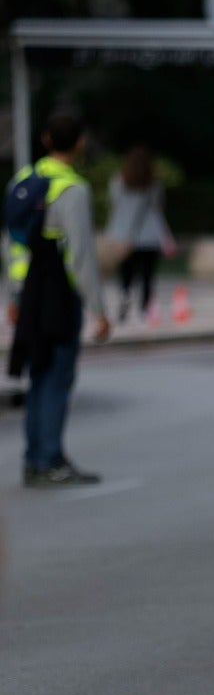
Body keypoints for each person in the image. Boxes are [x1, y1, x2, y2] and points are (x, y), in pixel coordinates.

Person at [5, 110, 110, 487]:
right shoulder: (72, 189)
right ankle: (50, 459)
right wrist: (98, 309)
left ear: (46, 140)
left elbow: (14, 246)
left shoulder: (23, 181)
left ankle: (34, 459)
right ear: (79, 142)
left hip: (31, 290)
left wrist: (15, 294)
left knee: (37, 374)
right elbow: (80, 255)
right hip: (59, 293)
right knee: (57, 377)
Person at [105, 144, 174, 325]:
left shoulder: (118, 182)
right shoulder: (153, 184)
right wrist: (166, 236)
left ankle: (124, 300)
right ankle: (144, 310)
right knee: (147, 276)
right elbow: (158, 210)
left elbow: (116, 209)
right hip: (150, 236)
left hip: (124, 236)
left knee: (126, 274)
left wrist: (116, 236)